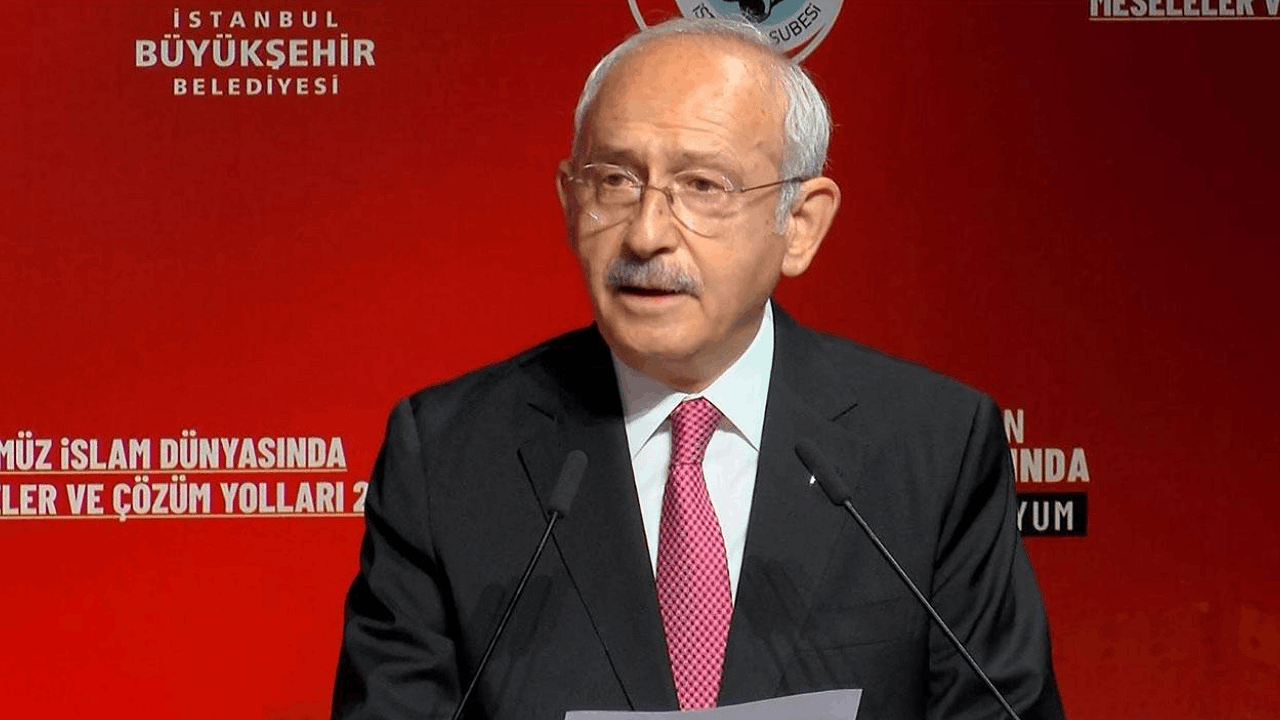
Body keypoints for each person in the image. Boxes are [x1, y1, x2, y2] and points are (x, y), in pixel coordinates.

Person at [332, 17, 1066, 720]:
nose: (647, 233)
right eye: (615, 180)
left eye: (703, 187)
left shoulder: (932, 447)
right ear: (570, 202)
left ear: (800, 224)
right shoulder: (449, 456)